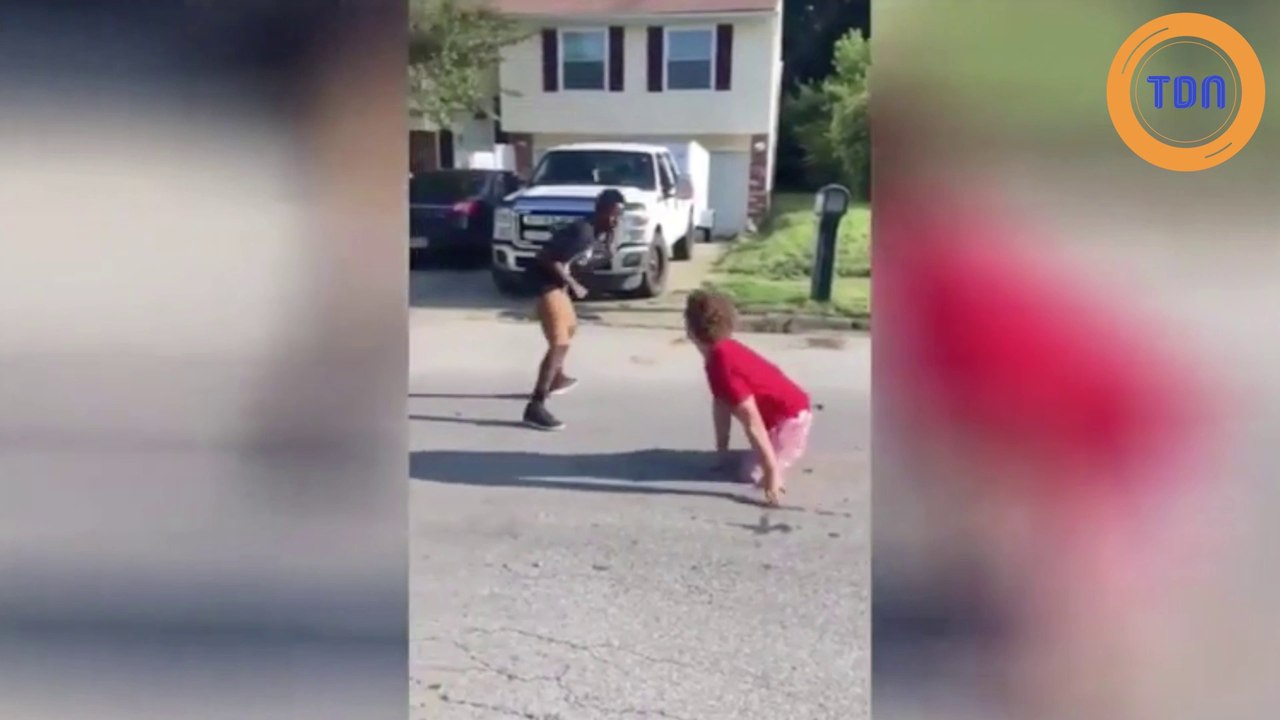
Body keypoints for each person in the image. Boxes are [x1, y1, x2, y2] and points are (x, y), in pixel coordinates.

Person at [683, 290, 812, 506]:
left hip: (792, 418)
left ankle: (784, 451)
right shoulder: (717, 355)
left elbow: (751, 420)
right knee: (746, 461)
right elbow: (721, 404)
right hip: (782, 415)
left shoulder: (722, 362)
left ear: (690, 331)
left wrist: (771, 474)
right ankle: (772, 449)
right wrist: (721, 452)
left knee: (749, 473)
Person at [522, 188, 625, 431]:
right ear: (599, 211)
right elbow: (548, 258)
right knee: (559, 342)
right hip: (545, 283)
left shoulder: (600, 235)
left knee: (569, 329)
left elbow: (581, 261)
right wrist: (573, 284)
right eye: (612, 214)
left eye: (619, 215)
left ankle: (556, 378)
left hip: (559, 285)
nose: (615, 220)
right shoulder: (583, 231)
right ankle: (535, 406)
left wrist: (608, 249)